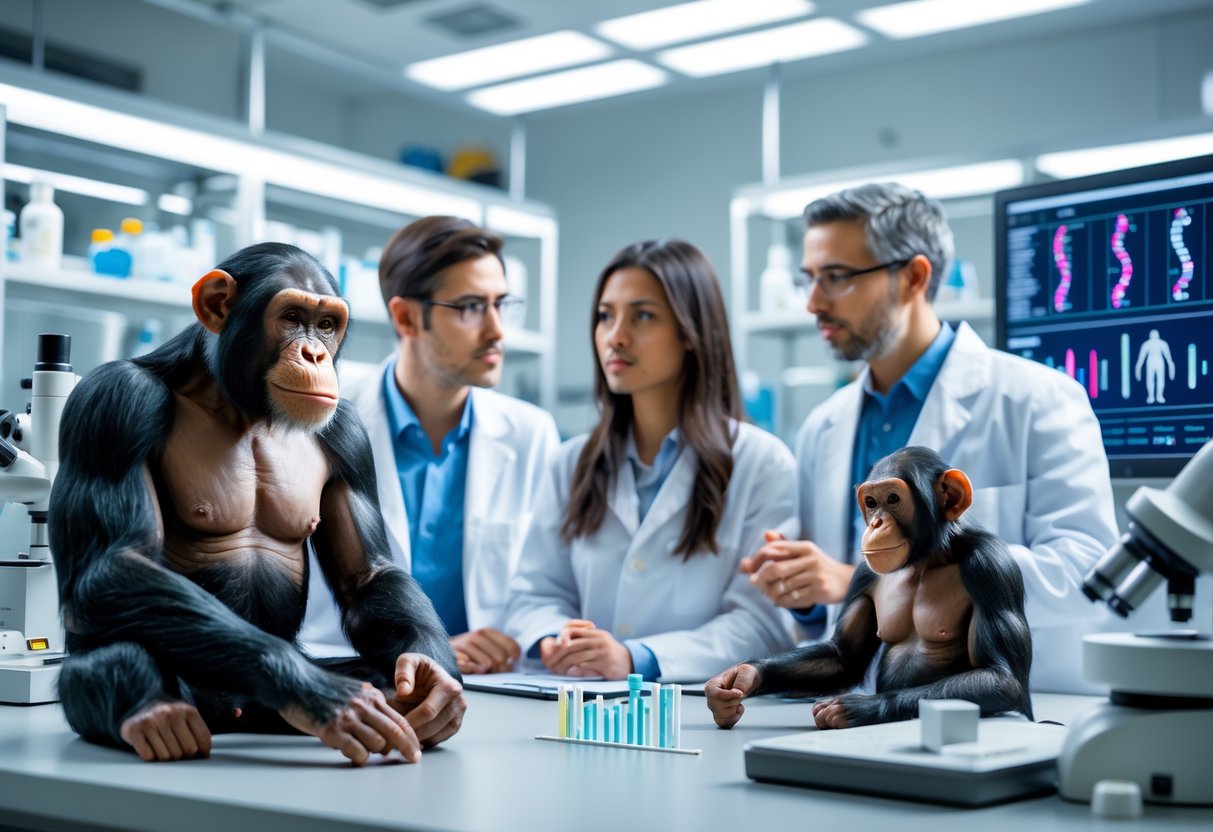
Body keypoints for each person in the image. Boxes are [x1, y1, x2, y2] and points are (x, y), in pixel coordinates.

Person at [740, 183, 1119, 693]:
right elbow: (840, 625)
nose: (812, 303)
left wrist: (873, 575)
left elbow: (1086, 571)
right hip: (855, 718)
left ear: (913, 277)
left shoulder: (1037, 399)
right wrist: (806, 592)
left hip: (994, 717)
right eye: (809, 278)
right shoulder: (821, 429)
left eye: (836, 277)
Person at [504, 238, 797, 683]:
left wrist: (636, 658)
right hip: (581, 703)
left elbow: (762, 625)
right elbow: (535, 594)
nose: (615, 336)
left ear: (691, 332)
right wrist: (557, 636)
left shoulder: (761, 462)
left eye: (642, 315)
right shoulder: (571, 463)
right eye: (606, 315)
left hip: (698, 714)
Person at [300, 216, 560, 676]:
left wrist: (522, 637)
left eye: (502, 304)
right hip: (366, 685)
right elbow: (304, 607)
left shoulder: (531, 433)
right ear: (405, 318)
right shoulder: (319, 423)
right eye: (470, 307)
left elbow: (543, 587)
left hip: (495, 687)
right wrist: (428, 649)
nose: (498, 330)